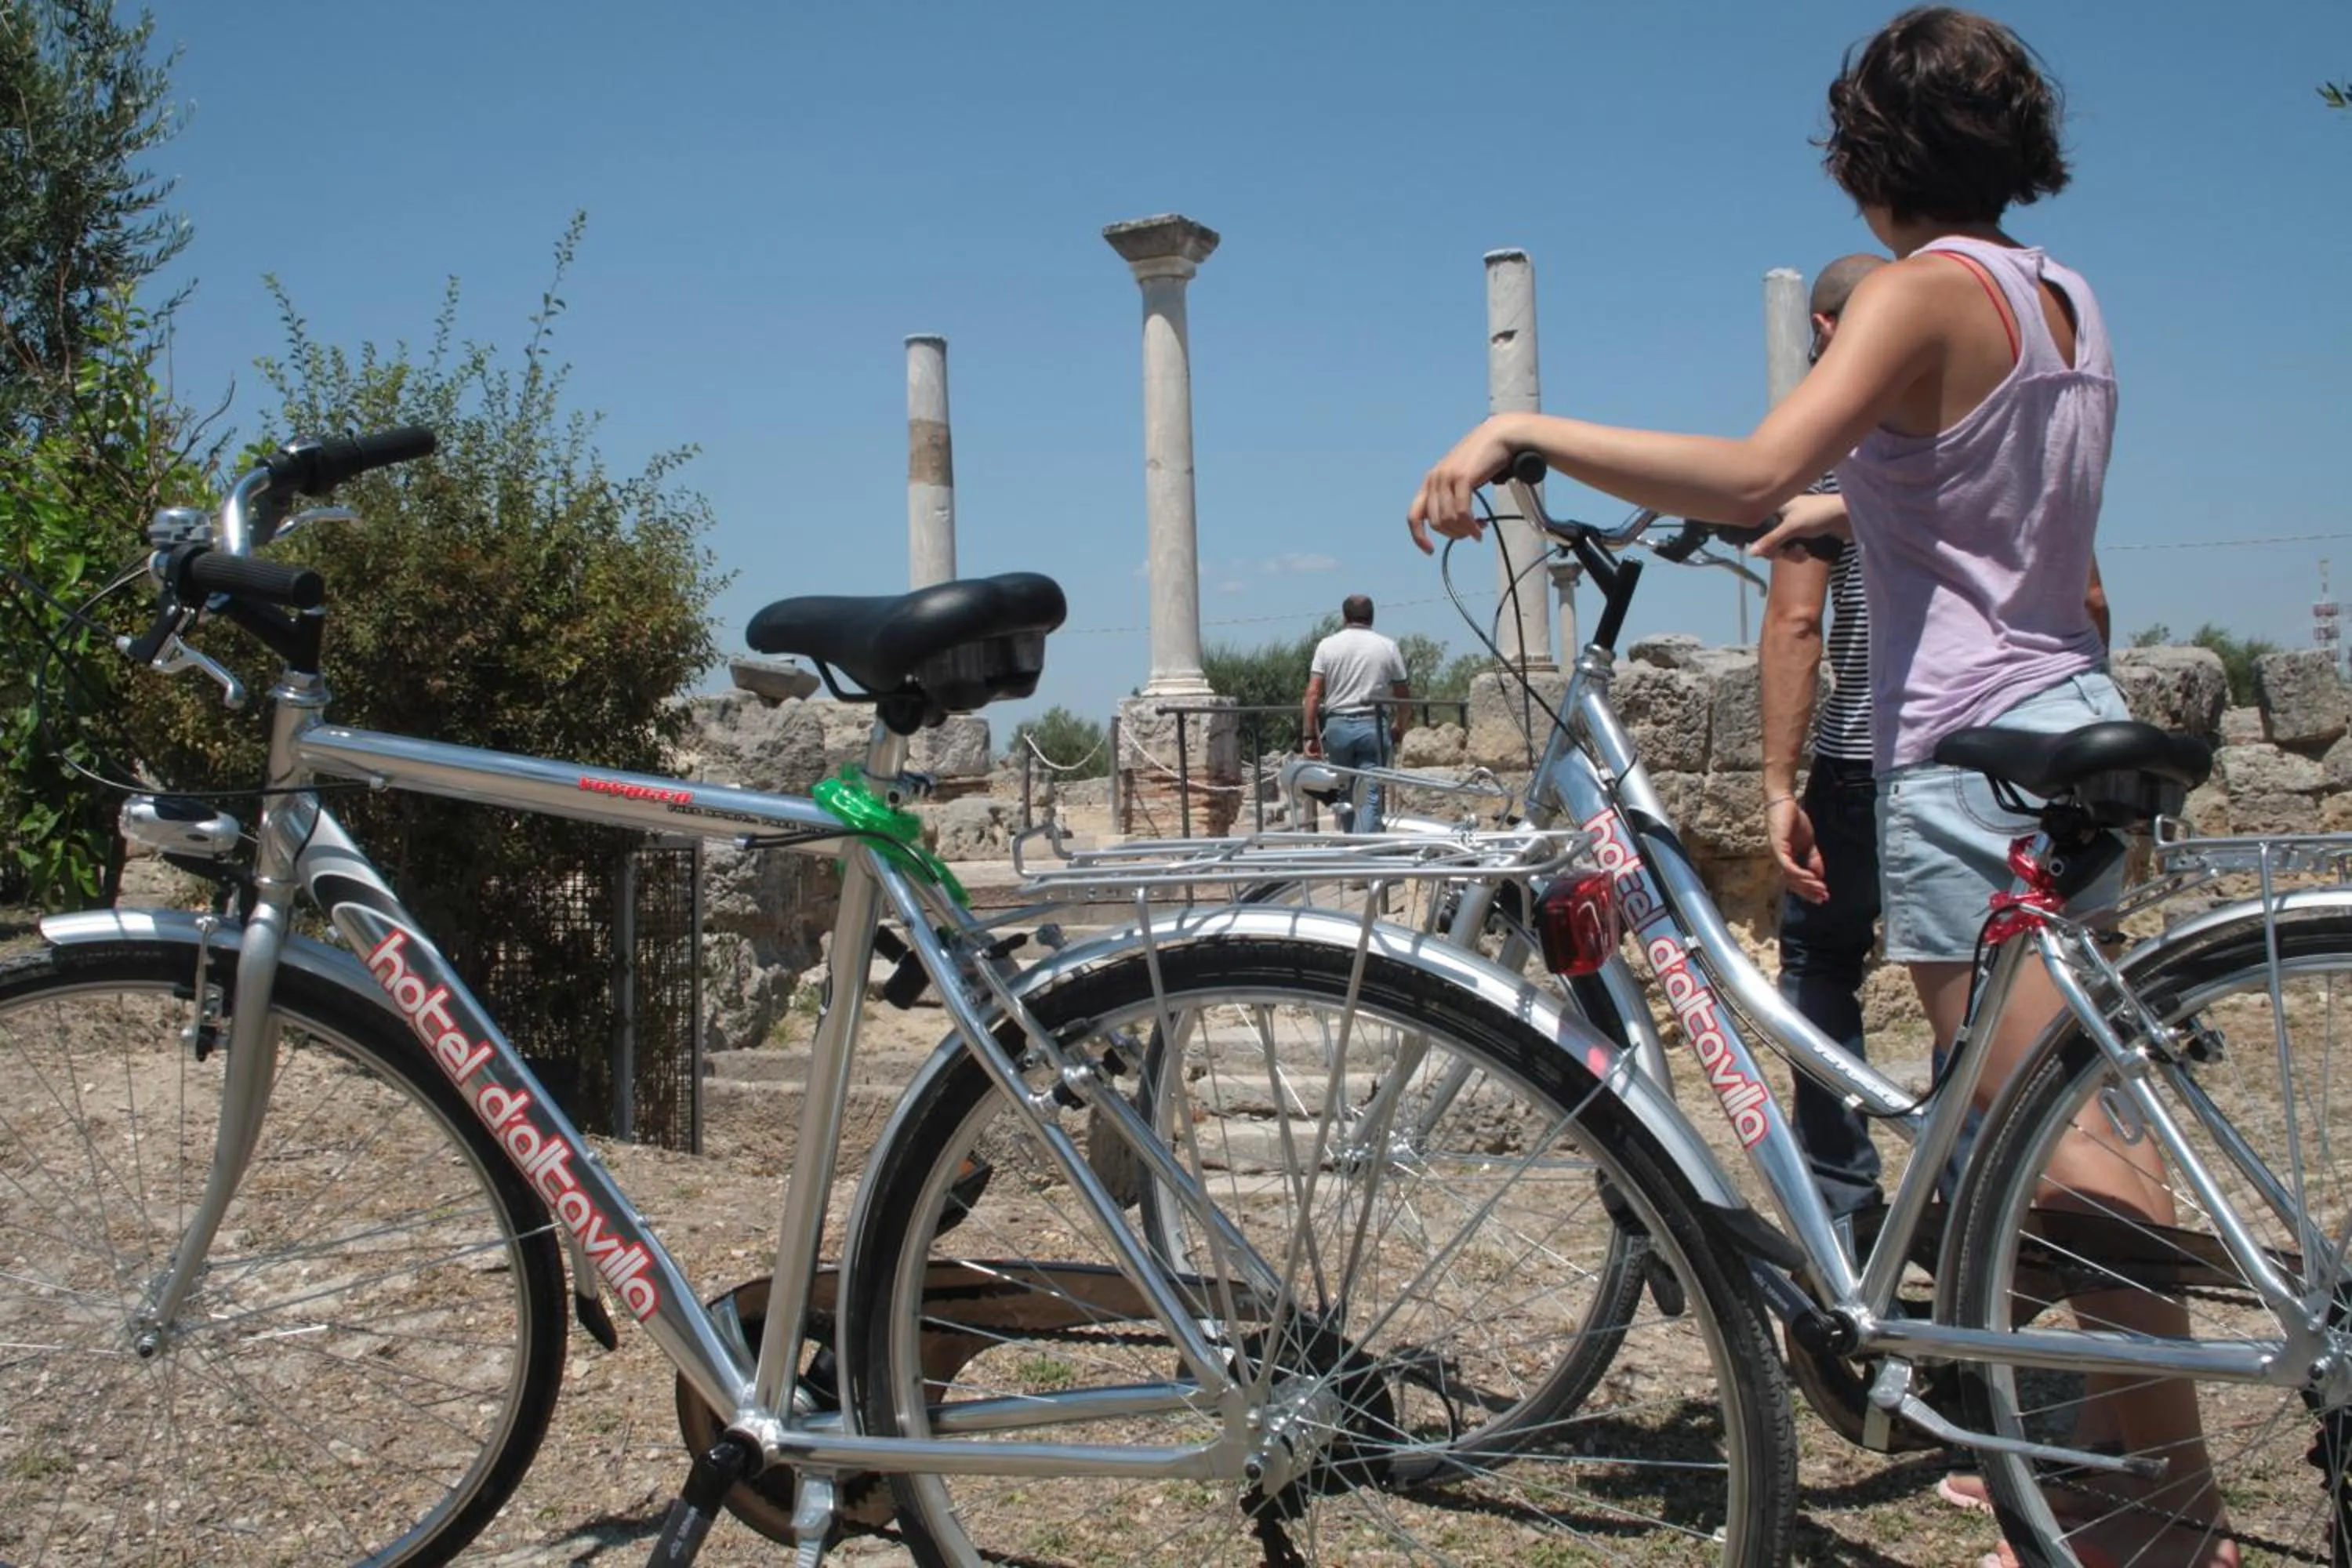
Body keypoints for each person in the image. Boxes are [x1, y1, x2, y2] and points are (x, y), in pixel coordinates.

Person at [1407, 10, 2232, 1565]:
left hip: (1967, 748)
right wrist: (1785, 512)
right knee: (2051, 1128)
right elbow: (1910, 489)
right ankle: (2095, 1484)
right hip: (2068, 709)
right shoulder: (2062, 294)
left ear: (1869, 154)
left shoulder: (1919, 292)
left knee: (2070, 1163)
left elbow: (1744, 465)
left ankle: (2172, 1526)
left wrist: (1525, 425)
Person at [1301, 595, 1410, 832]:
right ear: (1372, 617)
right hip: (1373, 724)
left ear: (1344, 617)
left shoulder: (1327, 646)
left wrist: (1310, 735)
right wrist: (1400, 725)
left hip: (1338, 726)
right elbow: (1403, 695)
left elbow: (1313, 694)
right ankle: (1365, 851)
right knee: (1370, 794)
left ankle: (1351, 845)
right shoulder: (1387, 646)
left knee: (1345, 792)